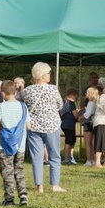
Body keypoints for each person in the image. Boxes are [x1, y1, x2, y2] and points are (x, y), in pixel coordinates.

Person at [23, 62, 65, 193]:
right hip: (52, 125)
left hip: (34, 126)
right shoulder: (52, 89)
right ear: (43, 74)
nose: (49, 75)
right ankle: (55, 185)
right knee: (54, 155)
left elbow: (26, 106)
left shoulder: (27, 90)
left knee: (37, 157)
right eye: (48, 73)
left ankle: (39, 186)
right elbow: (60, 105)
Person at [0, 80, 29, 206]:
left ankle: (9, 198)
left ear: (3, 93)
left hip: (5, 145)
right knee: (19, 169)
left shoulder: (1, 107)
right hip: (20, 144)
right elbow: (28, 125)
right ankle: (23, 195)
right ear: (15, 91)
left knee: (7, 171)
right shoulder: (23, 106)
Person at [79, 87, 98, 166]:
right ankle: (94, 159)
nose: (85, 94)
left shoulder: (90, 103)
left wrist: (81, 117)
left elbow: (87, 114)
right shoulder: (97, 102)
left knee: (88, 143)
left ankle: (89, 160)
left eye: (87, 93)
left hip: (88, 123)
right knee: (93, 142)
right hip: (94, 122)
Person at [60, 88, 79, 165]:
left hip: (63, 123)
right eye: (75, 96)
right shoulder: (71, 103)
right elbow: (75, 114)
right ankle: (67, 158)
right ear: (72, 95)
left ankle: (70, 156)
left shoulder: (62, 102)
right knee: (69, 141)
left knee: (71, 140)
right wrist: (79, 117)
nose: (75, 98)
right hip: (70, 124)